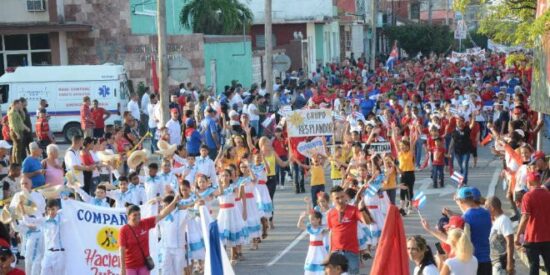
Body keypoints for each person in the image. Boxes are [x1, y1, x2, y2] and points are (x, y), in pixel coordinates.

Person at [119, 193, 180, 275]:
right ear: (128, 216)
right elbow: (121, 250)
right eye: (135, 215)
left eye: (139, 214)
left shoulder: (145, 223)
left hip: (144, 265)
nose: (138, 217)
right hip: (130, 267)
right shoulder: (124, 230)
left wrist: (174, 201)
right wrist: (122, 269)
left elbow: (162, 214)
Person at [326, 185, 371, 275]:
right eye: (337, 198)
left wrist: (362, 209)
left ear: (345, 196)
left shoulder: (353, 210)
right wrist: (329, 254)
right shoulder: (330, 213)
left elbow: (367, 222)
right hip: (336, 253)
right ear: (332, 199)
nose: (340, 200)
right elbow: (331, 233)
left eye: (342, 197)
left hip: (351, 252)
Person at [515, 171, 550, 275]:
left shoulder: (527, 196)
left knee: (534, 266)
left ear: (528, 182)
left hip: (532, 237)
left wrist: (518, 235)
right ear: (539, 181)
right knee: (549, 265)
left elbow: (525, 217)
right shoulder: (548, 194)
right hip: (548, 236)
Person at [485, 196, 515, 275]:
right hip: (497, 263)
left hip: (502, 263)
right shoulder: (497, 220)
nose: (485, 210)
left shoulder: (504, 220)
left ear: (492, 208)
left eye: (486, 207)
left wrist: (510, 263)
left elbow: (510, 242)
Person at [297, 210, 328, 275]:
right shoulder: (309, 228)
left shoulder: (322, 229)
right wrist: (301, 218)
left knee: (321, 267)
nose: (311, 221)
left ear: (318, 219)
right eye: (310, 219)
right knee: (310, 268)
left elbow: (331, 229)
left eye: (313, 219)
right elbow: (299, 226)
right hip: (312, 251)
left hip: (320, 250)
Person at [8, 100, 28, 164]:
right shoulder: (12, 113)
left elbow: (22, 119)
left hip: (19, 131)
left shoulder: (16, 112)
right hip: (16, 132)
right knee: (18, 149)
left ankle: (16, 163)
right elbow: (12, 124)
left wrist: (22, 111)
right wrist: (17, 133)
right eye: (19, 104)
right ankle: (17, 164)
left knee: (17, 148)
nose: (21, 105)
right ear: (16, 104)